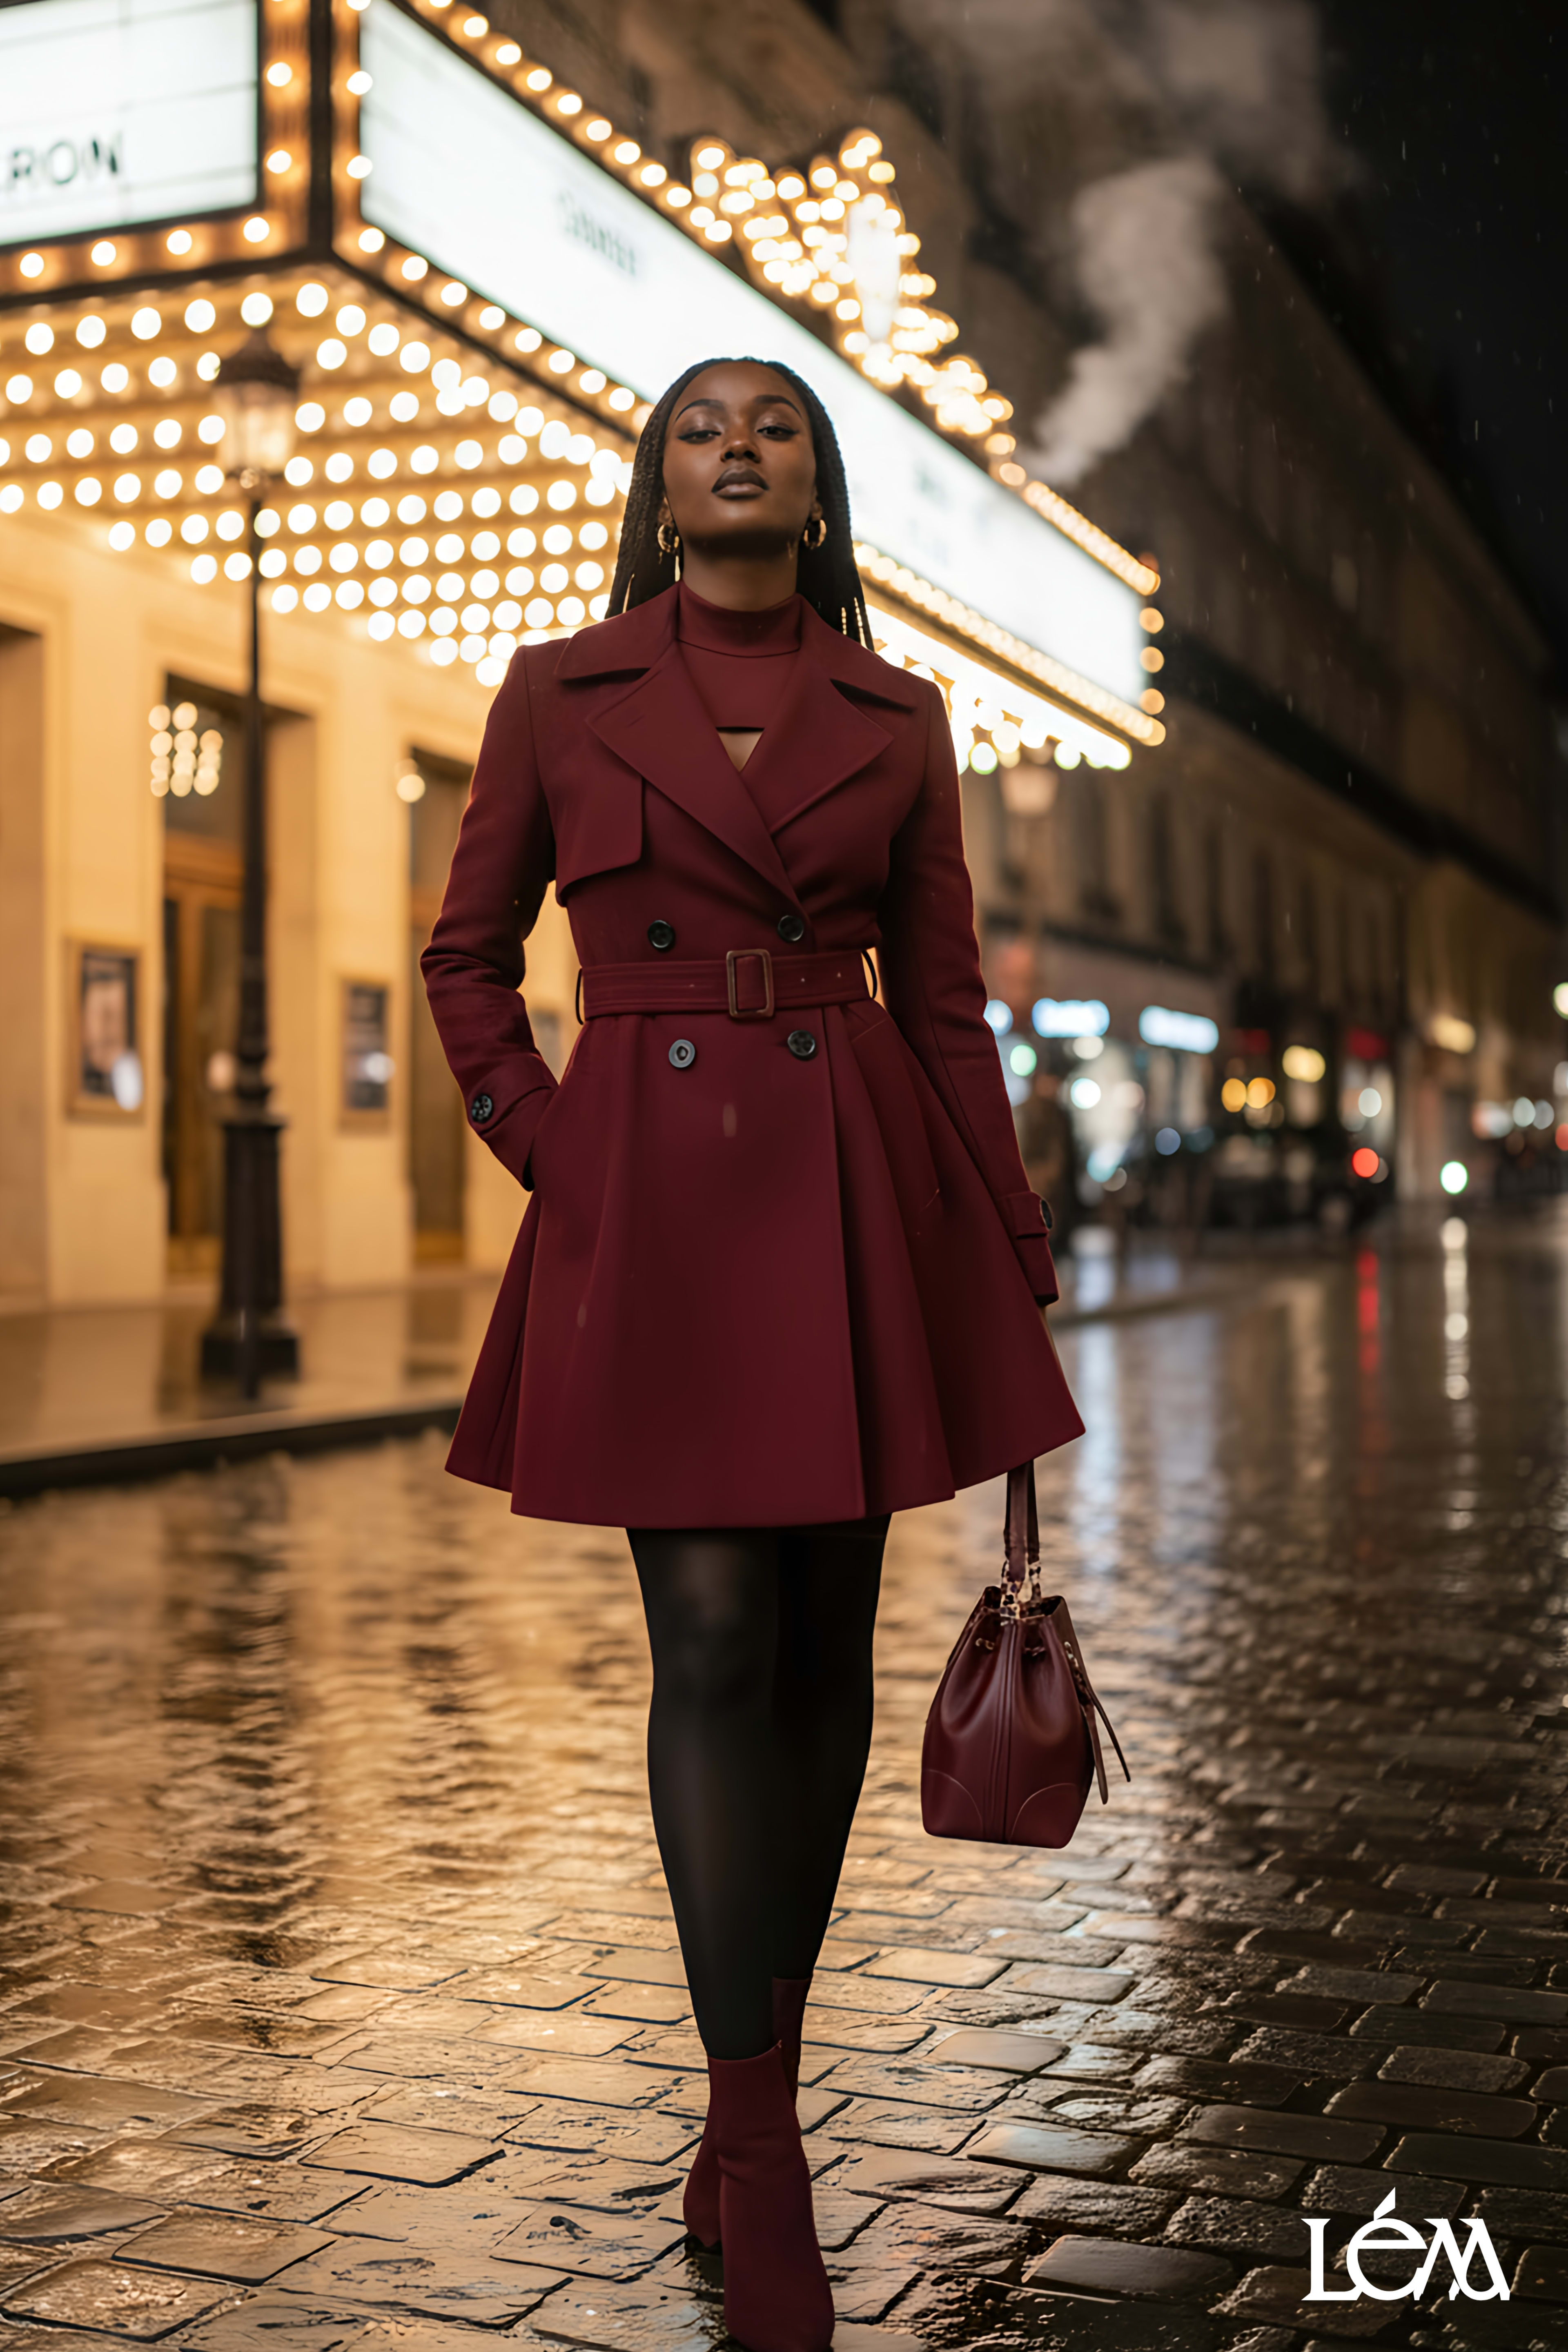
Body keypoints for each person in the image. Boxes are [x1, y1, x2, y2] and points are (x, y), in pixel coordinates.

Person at [422, 357, 1082, 2352]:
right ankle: (761, 2138)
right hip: (660, 1214)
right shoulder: (559, 690)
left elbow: (950, 1004)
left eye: (778, 423)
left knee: (812, 1655)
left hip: (849, 1184)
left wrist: (1009, 1235)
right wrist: (566, 1151)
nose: (739, 440)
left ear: (816, 489)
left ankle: (747, 2093)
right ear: (656, 477)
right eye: (704, 418)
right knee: (708, 1645)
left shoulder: (904, 718)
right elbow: (469, 956)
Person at [1016, 1054, 1079, 1251]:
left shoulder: (1059, 1113)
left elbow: (1065, 1156)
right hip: (1039, 1186)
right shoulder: (1030, 1111)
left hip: (1052, 1189)